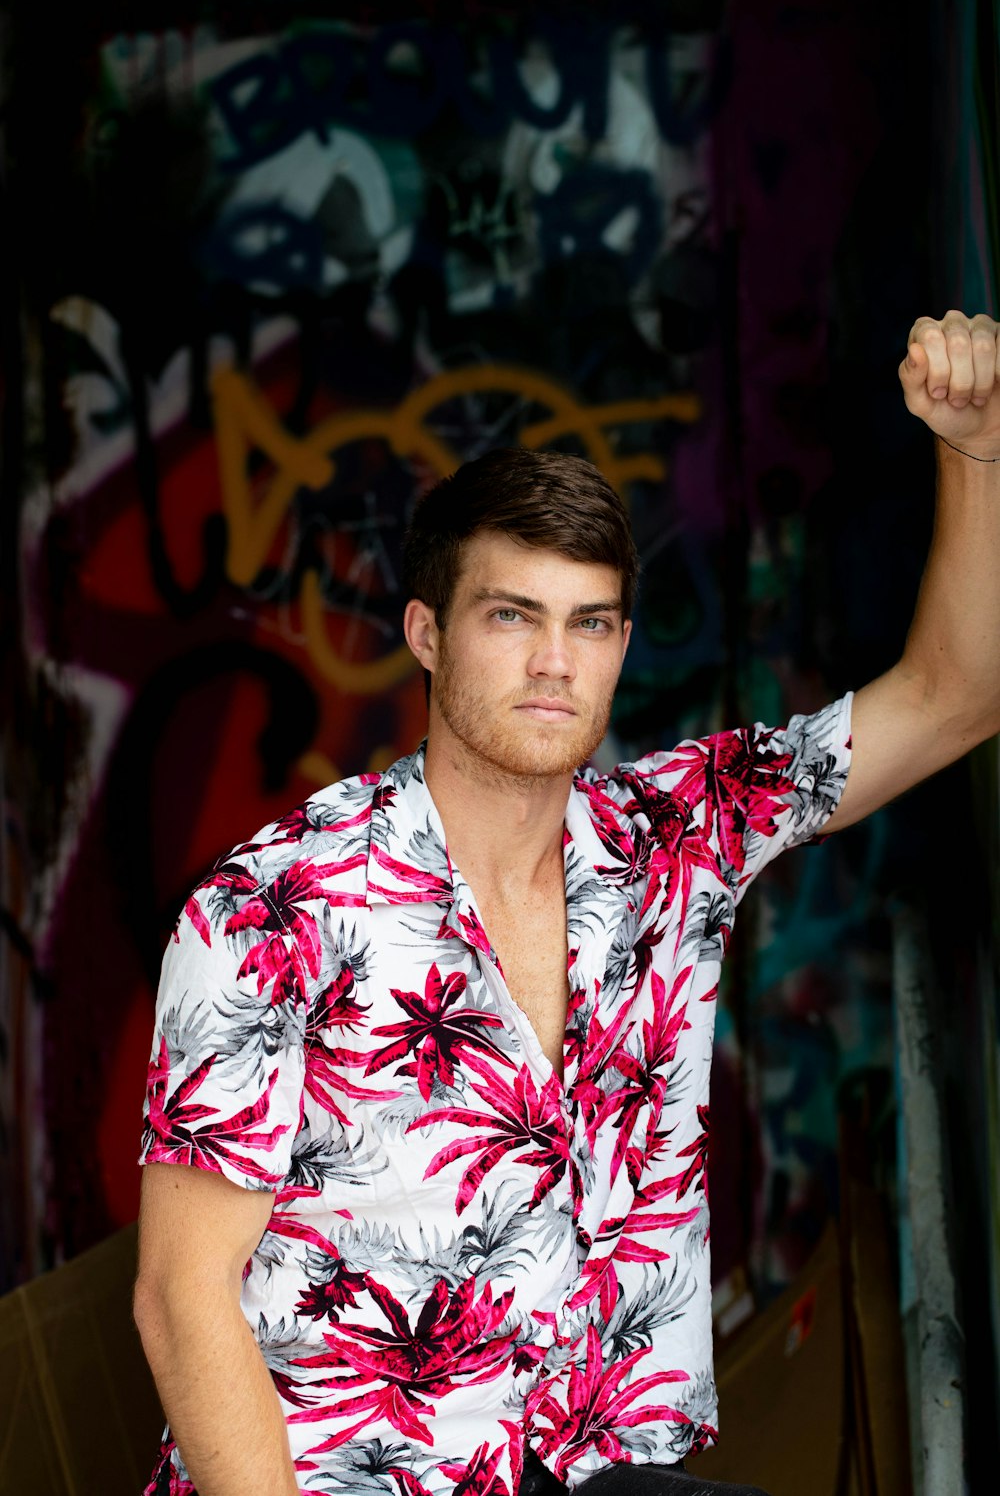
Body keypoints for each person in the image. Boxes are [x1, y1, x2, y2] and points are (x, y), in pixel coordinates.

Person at [134, 310, 1000, 1496]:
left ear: (621, 643)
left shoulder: (677, 836)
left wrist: (976, 446)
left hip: (585, 1467)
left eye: (588, 623)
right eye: (512, 616)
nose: (555, 661)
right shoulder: (272, 905)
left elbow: (956, 695)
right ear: (427, 634)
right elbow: (182, 1302)